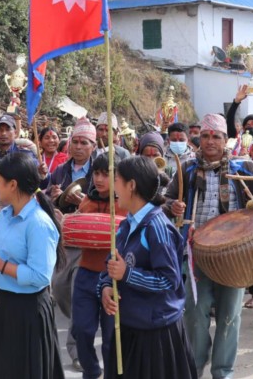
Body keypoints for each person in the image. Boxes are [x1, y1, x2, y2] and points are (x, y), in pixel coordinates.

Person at [164, 114, 253, 379]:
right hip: (196, 253)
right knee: (195, 314)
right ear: (200, 139)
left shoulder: (242, 166)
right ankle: (195, 365)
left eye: (217, 137)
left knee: (230, 316)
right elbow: (165, 201)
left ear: (225, 141)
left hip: (235, 255)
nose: (211, 141)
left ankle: (223, 371)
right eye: (207, 136)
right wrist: (172, 207)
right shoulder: (186, 168)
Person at [0, 152, 65, 379]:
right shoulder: (4, 215)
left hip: (27, 313)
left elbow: (40, 276)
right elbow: (3, 261)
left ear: (13, 185)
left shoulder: (39, 224)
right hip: (2, 306)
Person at [100, 156, 196, 379]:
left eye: (117, 180)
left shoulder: (157, 227)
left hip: (155, 333)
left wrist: (127, 274)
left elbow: (169, 280)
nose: (114, 187)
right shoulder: (127, 223)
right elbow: (112, 263)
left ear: (131, 185)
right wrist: (106, 286)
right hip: (128, 325)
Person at [46, 117, 97, 371]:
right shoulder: (59, 171)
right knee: (59, 287)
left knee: (78, 295)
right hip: (65, 239)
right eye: (75, 141)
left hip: (90, 241)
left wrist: (81, 202)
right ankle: (83, 320)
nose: (78, 147)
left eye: (84, 142)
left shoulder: (99, 171)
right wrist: (53, 198)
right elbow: (46, 200)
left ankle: (77, 350)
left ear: (93, 145)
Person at [72, 155, 127, 379]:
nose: (100, 179)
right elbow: (75, 234)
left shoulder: (124, 204)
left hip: (113, 276)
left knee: (111, 338)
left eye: (107, 174)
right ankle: (91, 371)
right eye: (96, 173)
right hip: (85, 273)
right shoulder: (86, 201)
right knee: (82, 331)